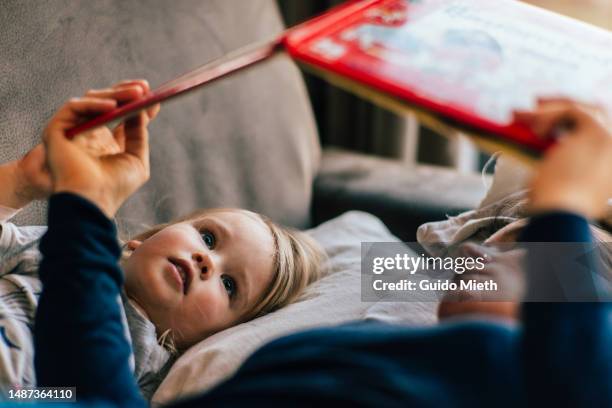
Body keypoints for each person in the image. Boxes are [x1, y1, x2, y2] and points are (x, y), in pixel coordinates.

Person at [30, 96, 612, 407]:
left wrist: (566, 214)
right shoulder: (404, 272)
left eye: (520, 249)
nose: (487, 254)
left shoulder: (520, 358)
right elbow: (433, 259)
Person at [0, 81, 324, 399]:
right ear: (145, 240)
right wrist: (21, 182)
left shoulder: (149, 370)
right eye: (208, 238)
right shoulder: (63, 245)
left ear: (211, 338)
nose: (207, 261)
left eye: (229, 286)